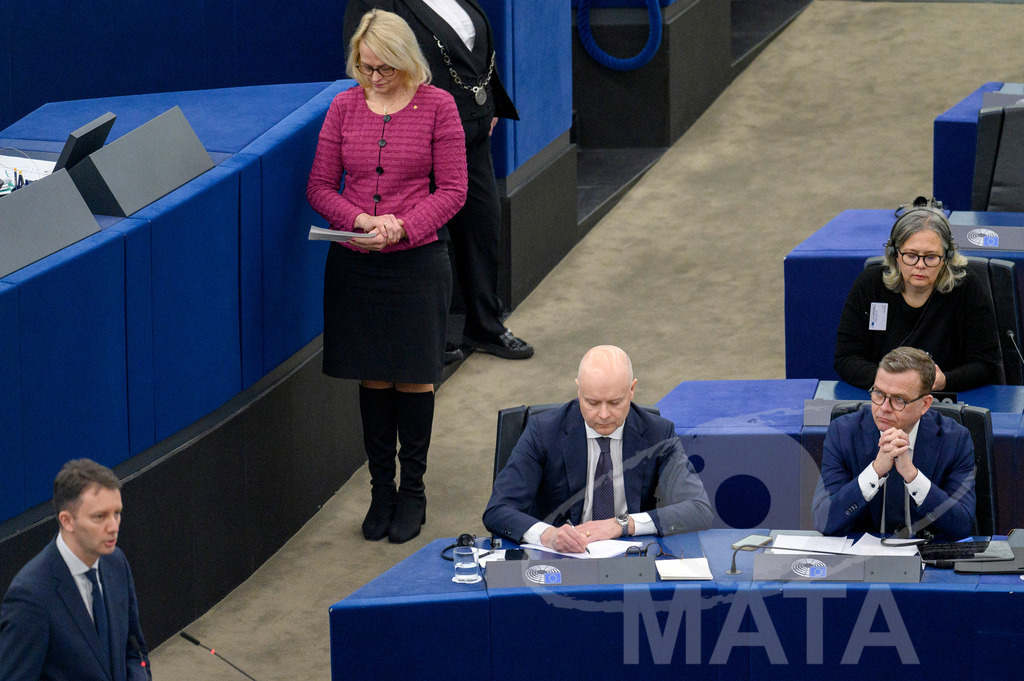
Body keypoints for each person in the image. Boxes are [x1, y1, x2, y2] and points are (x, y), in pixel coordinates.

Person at [307, 10, 468, 544]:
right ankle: (382, 490)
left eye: (385, 68)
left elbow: (452, 190)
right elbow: (320, 186)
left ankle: (414, 492)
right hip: (357, 262)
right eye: (366, 66)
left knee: (414, 375)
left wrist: (400, 227)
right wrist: (357, 220)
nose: (374, 77)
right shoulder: (344, 107)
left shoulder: (439, 107)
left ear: (407, 63)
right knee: (374, 375)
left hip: (417, 263)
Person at [343, 0, 534, 363]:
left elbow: (477, 53)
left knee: (483, 223)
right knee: (431, 235)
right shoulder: (375, 3)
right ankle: (433, 334)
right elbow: (367, 71)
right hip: (421, 135)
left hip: (474, 130)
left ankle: (485, 326)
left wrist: (490, 101)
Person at [483, 345, 713, 552]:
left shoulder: (658, 434)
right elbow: (498, 510)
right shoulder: (543, 432)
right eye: (592, 403)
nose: (603, 415)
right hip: (562, 560)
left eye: (615, 402)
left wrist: (622, 524)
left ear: (632, 390)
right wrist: (548, 535)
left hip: (632, 558)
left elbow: (698, 509)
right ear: (578, 390)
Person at [0, 459, 150, 681]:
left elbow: (134, 649)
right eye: (100, 516)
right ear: (67, 521)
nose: (114, 526)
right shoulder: (31, 596)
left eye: (117, 513)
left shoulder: (116, 563)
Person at [833, 197, 1002, 392]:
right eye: (911, 255)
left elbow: (985, 364)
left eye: (931, 257)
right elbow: (846, 359)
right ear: (894, 254)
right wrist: (892, 384)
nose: (920, 265)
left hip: (944, 400)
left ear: (946, 257)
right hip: (882, 399)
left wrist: (945, 380)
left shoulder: (967, 287)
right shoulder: (870, 285)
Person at [813, 347, 976, 540]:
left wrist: (912, 476)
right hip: (861, 561)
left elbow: (962, 525)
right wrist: (875, 471)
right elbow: (823, 519)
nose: (884, 408)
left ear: (925, 404)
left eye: (899, 400)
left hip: (928, 560)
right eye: (878, 394)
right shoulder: (844, 433)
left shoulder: (955, 440)